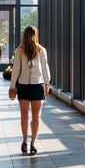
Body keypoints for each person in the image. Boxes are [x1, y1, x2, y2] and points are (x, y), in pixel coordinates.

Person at [8, 25, 50, 155]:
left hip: (23, 85)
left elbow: (16, 70)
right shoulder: (41, 50)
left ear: (24, 35)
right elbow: (45, 68)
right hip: (38, 85)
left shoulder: (19, 50)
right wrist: (47, 84)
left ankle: (25, 141)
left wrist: (12, 86)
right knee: (36, 116)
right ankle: (33, 142)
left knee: (24, 115)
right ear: (35, 35)